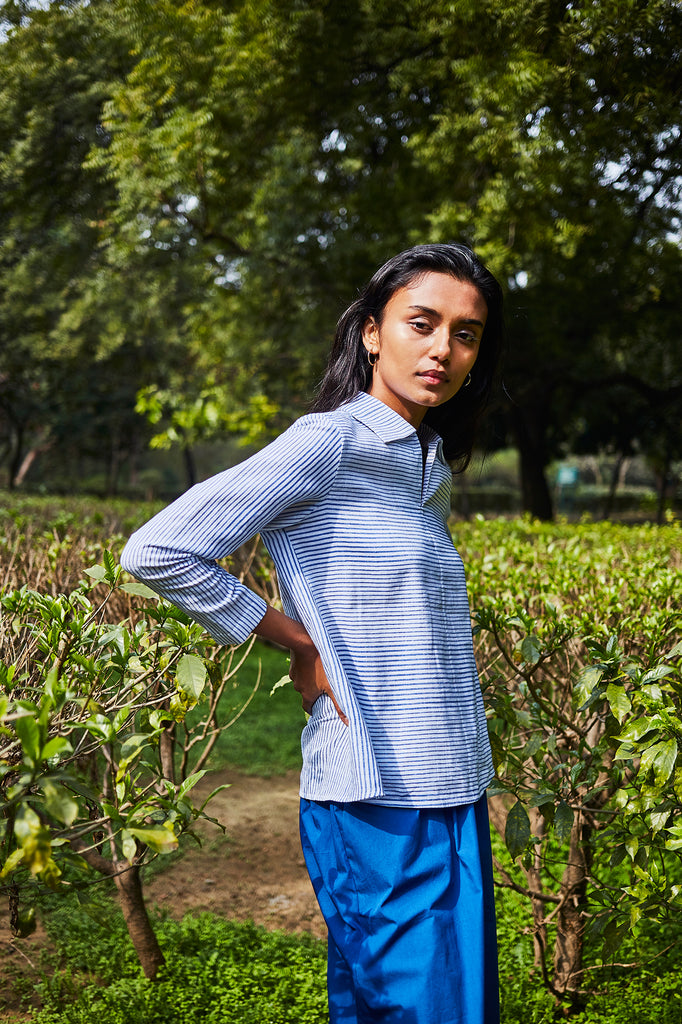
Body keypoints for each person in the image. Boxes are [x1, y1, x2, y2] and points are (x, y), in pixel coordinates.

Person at [121, 242, 504, 1024]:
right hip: (373, 794)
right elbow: (158, 549)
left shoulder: (428, 466)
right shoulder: (328, 442)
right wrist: (298, 643)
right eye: (421, 323)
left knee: (420, 1006)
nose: (442, 349)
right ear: (371, 332)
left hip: (453, 786)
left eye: (465, 334)